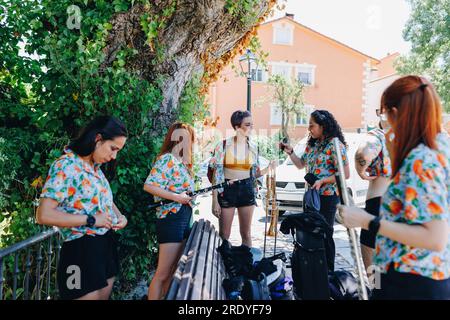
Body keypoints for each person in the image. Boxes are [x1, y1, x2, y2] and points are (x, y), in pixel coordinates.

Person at [338, 75, 450, 300]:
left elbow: (434, 237)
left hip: (410, 281)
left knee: (369, 262)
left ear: (396, 113)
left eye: (384, 113)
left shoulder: (421, 159)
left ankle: (372, 288)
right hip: (425, 276)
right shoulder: (440, 146)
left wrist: (365, 220)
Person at [36, 116, 128, 300]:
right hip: (79, 251)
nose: (114, 156)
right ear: (97, 138)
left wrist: (120, 216)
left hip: (104, 246)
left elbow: (105, 199)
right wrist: (92, 219)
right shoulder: (67, 166)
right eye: (113, 148)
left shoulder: (96, 167)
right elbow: (43, 215)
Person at [280, 110, 350, 272]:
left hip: (327, 197)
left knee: (325, 235)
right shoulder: (312, 144)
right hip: (310, 197)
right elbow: (300, 165)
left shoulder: (335, 144)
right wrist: (290, 152)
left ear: (323, 126)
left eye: (312, 125)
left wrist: (323, 181)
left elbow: (345, 174)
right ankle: (313, 269)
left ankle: (328, 274)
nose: (309, 129)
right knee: (311, 234)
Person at [144, 122, 195, 300]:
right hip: (171, 219)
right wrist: (177, 197)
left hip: (182, 217)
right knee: (163, 273)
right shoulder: (167, 159)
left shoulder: (182, 163)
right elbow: (149, 186)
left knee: (172, 272)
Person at [209, 110, 275, 248]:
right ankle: (226, 266)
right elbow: (217, 174)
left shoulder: (252, 147)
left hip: (246, 189)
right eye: (248, 124)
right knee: (224, 235)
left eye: (252, 124)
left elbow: (254, 175)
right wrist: (214, 201)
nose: (251, 127)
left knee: (246, 233)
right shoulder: (223, 145)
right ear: (237, 126)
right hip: (228, 190)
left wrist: (269, 168)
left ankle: (247, 266)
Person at [354, 112, 392, 274]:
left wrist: (360, 170)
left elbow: (363, 154)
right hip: (406, 204)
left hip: (378, 202)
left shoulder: (380, 135)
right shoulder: (415, 137)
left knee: (371, 254)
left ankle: (376, 289)